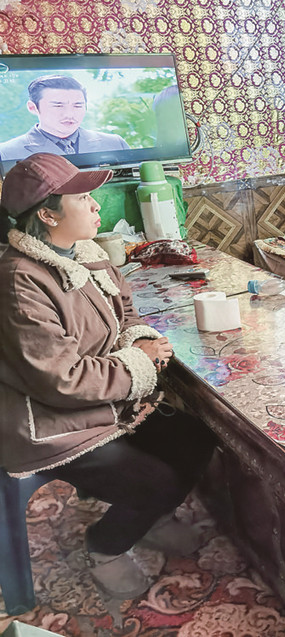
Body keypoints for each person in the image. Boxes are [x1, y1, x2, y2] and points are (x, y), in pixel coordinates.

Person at [0, 153, 216, 600]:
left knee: (195, 438)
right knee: (156, 479)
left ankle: (152, 518)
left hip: (105, 400)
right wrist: (138, 363)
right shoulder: (20, 281)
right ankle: (105, 547)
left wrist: (141, 340)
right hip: (53, 422)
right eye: (82, 198)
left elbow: (126, 312)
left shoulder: (87, 254)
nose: (96, 205)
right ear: (47, 215)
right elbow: (60, 379)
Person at [0, 75, 131, 161]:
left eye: (77, 105)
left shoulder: (115, 143)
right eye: (58, 106)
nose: (69, 114)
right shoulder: (6, 152)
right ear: (32, 107)